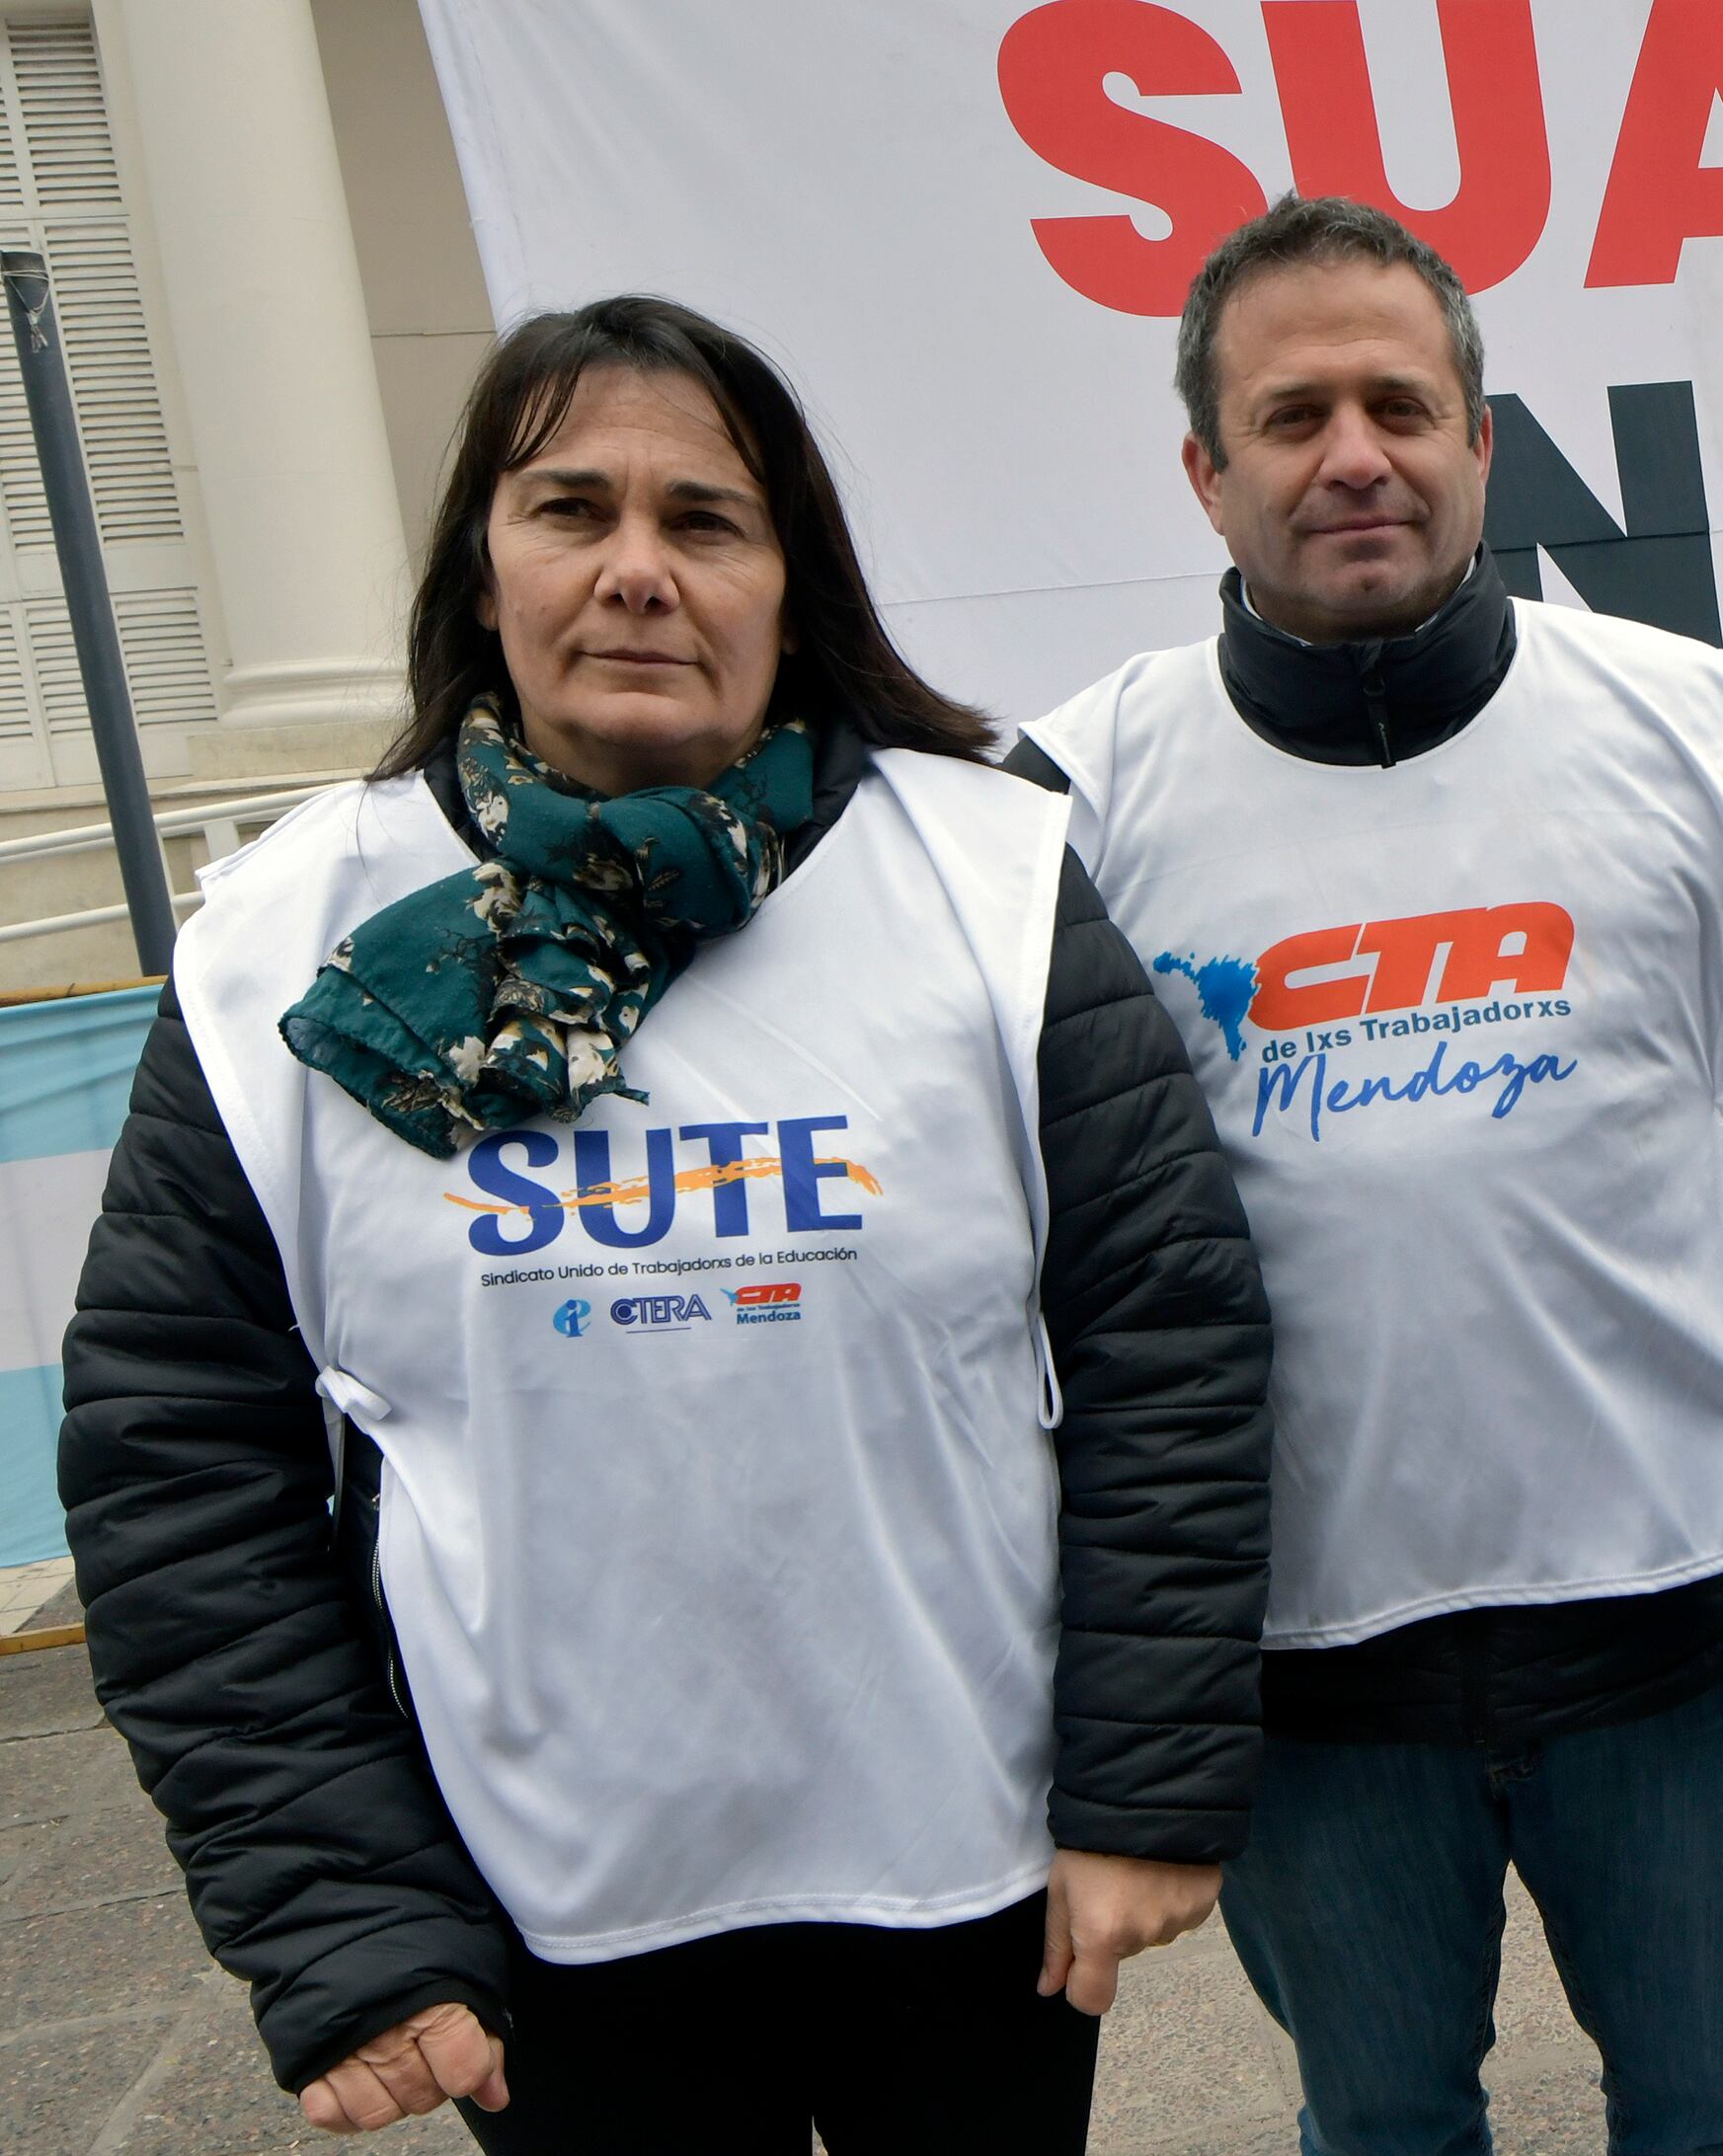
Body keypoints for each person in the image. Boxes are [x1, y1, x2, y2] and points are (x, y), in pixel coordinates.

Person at [59, 295, 1276, 2150]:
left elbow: (1165, 1339)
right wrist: (346, 1924)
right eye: (573, 511)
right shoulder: (281, 951)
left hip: (966, 1884)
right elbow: (175, 1463)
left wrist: (1144, 1788)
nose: (639, 571)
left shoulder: (988, 877)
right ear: (485, 570)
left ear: (793, 582)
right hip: (548, 1925)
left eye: (704, 521)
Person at [1008, 195, 1723, 2155]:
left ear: (1484, 442)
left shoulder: (1691, 727)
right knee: (1381, 2135)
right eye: (1293, 416)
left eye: (1403, 402)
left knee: (1720, 2123)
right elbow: (1058, 1236)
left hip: (1671, 1623)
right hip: (1305, 1670)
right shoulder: (1071, 799)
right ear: (1207, 475)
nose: (1356, 455)